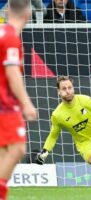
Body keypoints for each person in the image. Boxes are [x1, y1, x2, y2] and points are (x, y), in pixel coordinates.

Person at [0, 0, 38, 199]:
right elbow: (13, 72)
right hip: (4, 103)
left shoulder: (2, 32)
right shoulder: (12, 37)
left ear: (7, 11)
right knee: (17, 148)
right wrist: (26, 103)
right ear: (28, 15)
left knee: (5, 150)